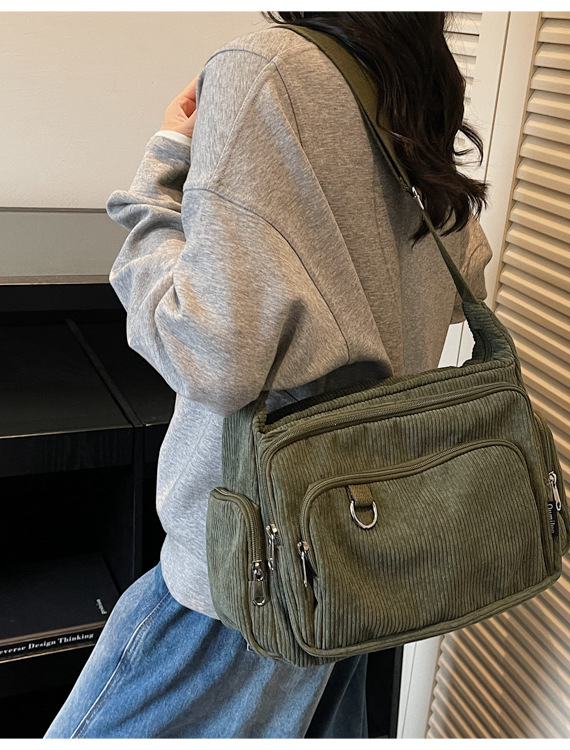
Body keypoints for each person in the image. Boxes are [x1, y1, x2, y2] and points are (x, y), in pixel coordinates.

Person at [44, 11, 493, 739]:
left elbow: (208, 355)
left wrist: (162, 172)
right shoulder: (416, 79)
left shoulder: (263, 71)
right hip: (360, 557)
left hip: (248, 572)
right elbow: (460, 276)